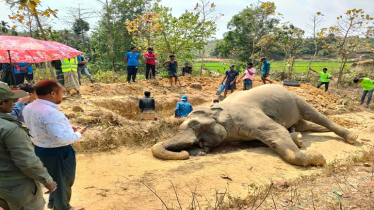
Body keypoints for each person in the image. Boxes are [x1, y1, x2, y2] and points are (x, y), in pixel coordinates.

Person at [23, 80, 86, 210]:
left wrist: (67, 127)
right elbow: (61, 139)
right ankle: (62, 207)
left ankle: (54, 202)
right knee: (63, 180)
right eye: (61, 92)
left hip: (40, 149)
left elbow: (40, 126)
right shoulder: (51, 113)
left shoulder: (29, 107)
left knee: (52, 178)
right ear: (53, 93)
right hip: (58, 152)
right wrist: (78, 134)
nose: (62, 95)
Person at [0, 82, 57, 210]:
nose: (14, 103)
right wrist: (48, 181)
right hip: (18, 187)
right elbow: (27, 161)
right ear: (1, 103)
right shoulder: (10, 129)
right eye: (11, 100)